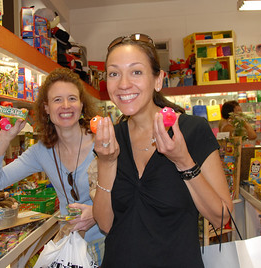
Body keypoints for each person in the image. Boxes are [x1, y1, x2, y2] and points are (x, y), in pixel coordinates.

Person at [92, 33, 233, 267]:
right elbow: (106, 225)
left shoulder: (191, 130)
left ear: (158, 80)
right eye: (114, 73)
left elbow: (221, 216)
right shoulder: (112, 138)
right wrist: (106, 163)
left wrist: (183, 161)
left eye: (136, 72)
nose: (124, 83)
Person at [0, 68, 105, 265]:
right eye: (57, 100)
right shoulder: (41, 152)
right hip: (69, 248)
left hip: (108, 242)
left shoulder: (103, 141)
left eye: (72, 98)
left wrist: (97, 213)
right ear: (46, 107)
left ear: (81, 104)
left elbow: (129, 193)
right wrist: (4, 139)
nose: (65, 106)